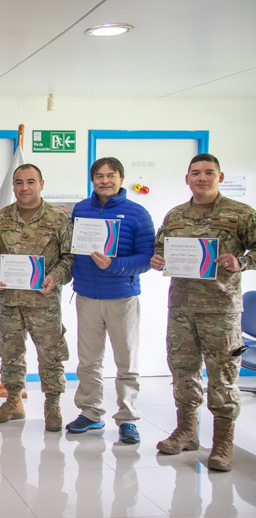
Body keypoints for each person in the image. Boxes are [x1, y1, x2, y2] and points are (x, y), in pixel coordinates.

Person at [150, 153, 255, 471]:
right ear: (187, 178)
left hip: (220, 311)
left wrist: (242, 262)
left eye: (209, 172)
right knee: (182, 373)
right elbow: (160, 247)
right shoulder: (176, 215)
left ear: (219, 177)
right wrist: (157, 260)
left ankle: (223, 442)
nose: (202, 178)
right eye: (195, 173)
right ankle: (186, 432)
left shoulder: (240, 214)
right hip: (181, 308)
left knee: (222, 378)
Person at [0, 164, 73, 431]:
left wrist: (56, 276)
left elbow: (69, 257)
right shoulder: (0, 219)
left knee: (51, 354)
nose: (25, 187)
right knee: (10, 353)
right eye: (19, 182)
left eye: (31, 181)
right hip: (10, 301)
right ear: (13, 186)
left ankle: (52, 404)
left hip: (44, 301)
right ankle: (13, 401)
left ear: (42, 184)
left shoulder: (58, 218)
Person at [66, 157, 154, 444]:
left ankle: (128, 418)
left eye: (111, 175)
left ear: (121, 178)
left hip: (122, 297)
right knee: (89, 361)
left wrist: (113, 265)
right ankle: (91, 413)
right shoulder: (81, 209)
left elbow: (146, 259)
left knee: (126, 361)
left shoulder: (137, 214)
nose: (105, 181)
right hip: (87, 296)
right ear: (93, 180)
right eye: (99, 176)